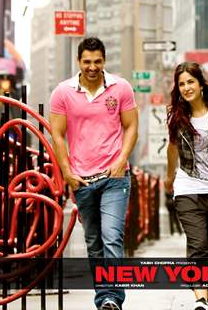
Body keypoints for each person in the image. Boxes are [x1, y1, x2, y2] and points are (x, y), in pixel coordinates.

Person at [49, 37, 138, 310]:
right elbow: (58, 135)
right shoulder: (63, 92)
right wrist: (67, 172)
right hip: (82, 178)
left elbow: (131, 126)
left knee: (112, 236)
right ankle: (104, 295)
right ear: (79, 62)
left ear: (104, 61)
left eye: (97, 61)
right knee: (94, 242)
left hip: (114, 177)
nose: (92, 67)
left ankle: (112, 298)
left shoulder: (120, 88)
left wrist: (122, 160)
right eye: (87, 61)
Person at [164, 62, 208, 310]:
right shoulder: (176, 114)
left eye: (190, 82)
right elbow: (172, 148)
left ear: (201, 83)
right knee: (198, 246)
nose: (186, 87)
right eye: (181, 84)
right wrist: (169, 178)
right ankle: (200, 299)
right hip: (188, 187)